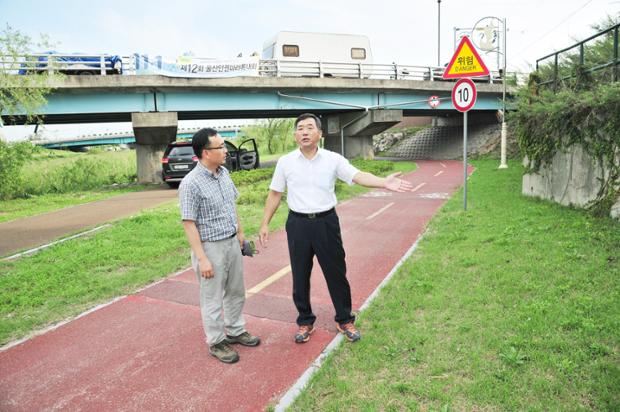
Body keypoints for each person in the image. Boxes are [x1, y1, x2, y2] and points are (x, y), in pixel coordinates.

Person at [259, 113, 413, 344]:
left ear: (320, 134)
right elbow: (275, 193)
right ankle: (305, 321)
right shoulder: (285, 162)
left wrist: (383, 182)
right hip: (298, 224)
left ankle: (344, 319)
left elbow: (357, 176)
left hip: (326, 223)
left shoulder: (333, 159)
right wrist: (264, 224)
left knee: (336, 273)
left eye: (310, 128)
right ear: (294, 135)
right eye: (300, 128)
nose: (304, 132)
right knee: (300, 275)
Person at [179, 128, 260, 364]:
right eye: (221, 147)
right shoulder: (190, 184)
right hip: (211, 247)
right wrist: (203, 258)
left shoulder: (224, 173)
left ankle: (235, 330)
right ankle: (216, 341)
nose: (226, 151)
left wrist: (241, 234)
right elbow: (189, 224)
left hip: (232, 241)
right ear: (206, 153)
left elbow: (231, 206)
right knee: (212, 298)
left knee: (236, 290)